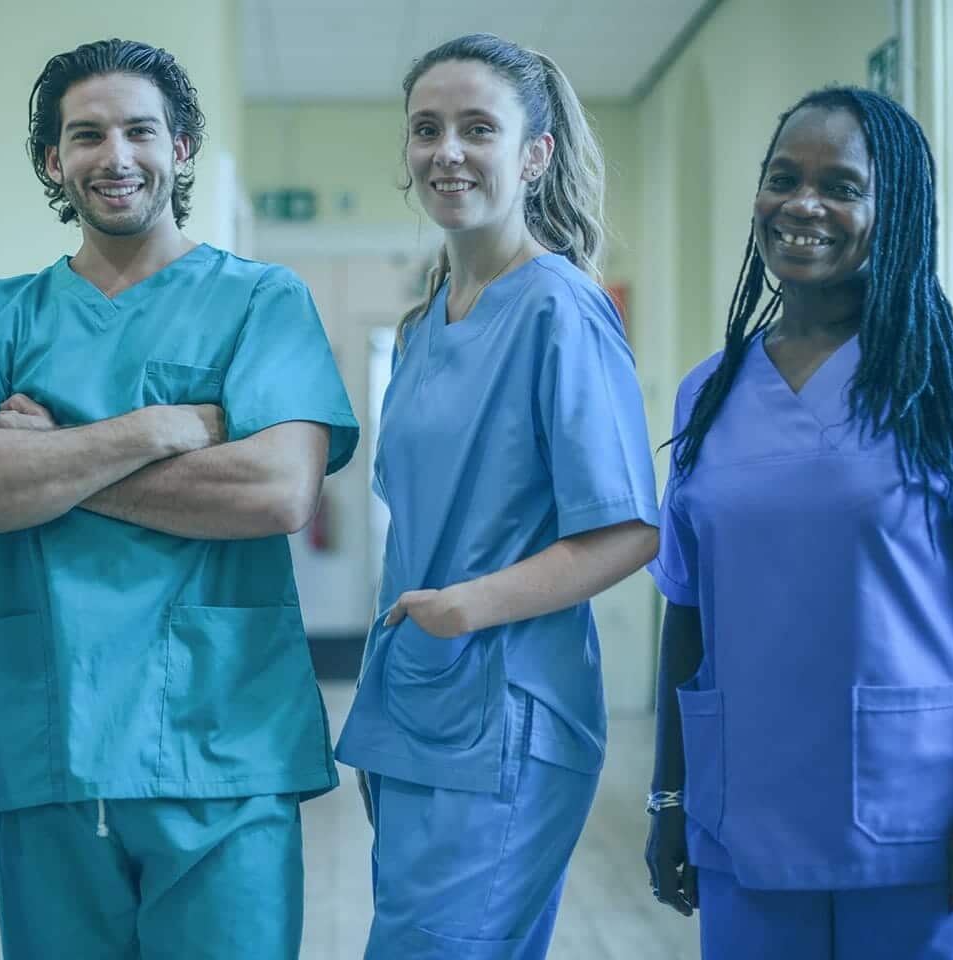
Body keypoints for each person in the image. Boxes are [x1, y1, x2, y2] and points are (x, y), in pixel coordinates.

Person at [0, 38, 358, 960]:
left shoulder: (260, 301)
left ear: (182, 146)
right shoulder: (2, 315)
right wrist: (156, 429)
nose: (115, 156)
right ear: (53, 161)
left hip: (223, 739)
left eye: (139, 130)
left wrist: (49, 469)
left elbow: (278, 489)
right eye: (86, 135)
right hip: (53, 742)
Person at [644, 86, 953, 959]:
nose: (803, 205)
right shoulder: (710, 392)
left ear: (894, 210)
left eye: (841, 186)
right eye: (783, 178)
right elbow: (686, 616)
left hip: (926, 826)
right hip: (746, 816)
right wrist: (669, 801)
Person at [333, 33, 660, 960]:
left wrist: (462, 609)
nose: (447, 151)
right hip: (418, 699)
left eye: (479, 128)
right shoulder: (428, 317)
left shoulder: (560, 304)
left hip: (506, 705)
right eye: (426, 129)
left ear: (535, 153)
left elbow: (629, 529)